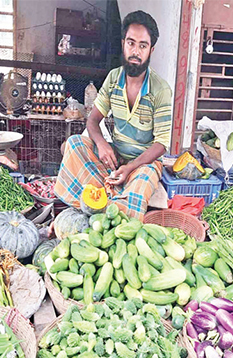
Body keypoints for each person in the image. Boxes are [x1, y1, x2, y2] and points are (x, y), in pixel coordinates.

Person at [55, 10, 172, 220]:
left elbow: (161, 144)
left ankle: (111, 197)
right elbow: (93, 120)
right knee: (74, 144)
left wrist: (130, 167)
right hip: (116, 159)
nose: (135, 51)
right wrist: (101, 144)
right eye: (131, 43)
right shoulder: (113, 78)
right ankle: (107, 197)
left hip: (143, 164)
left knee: (139, 191)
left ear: (151, 50)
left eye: (142, 45)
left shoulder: (160, 90)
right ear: (123, 43)